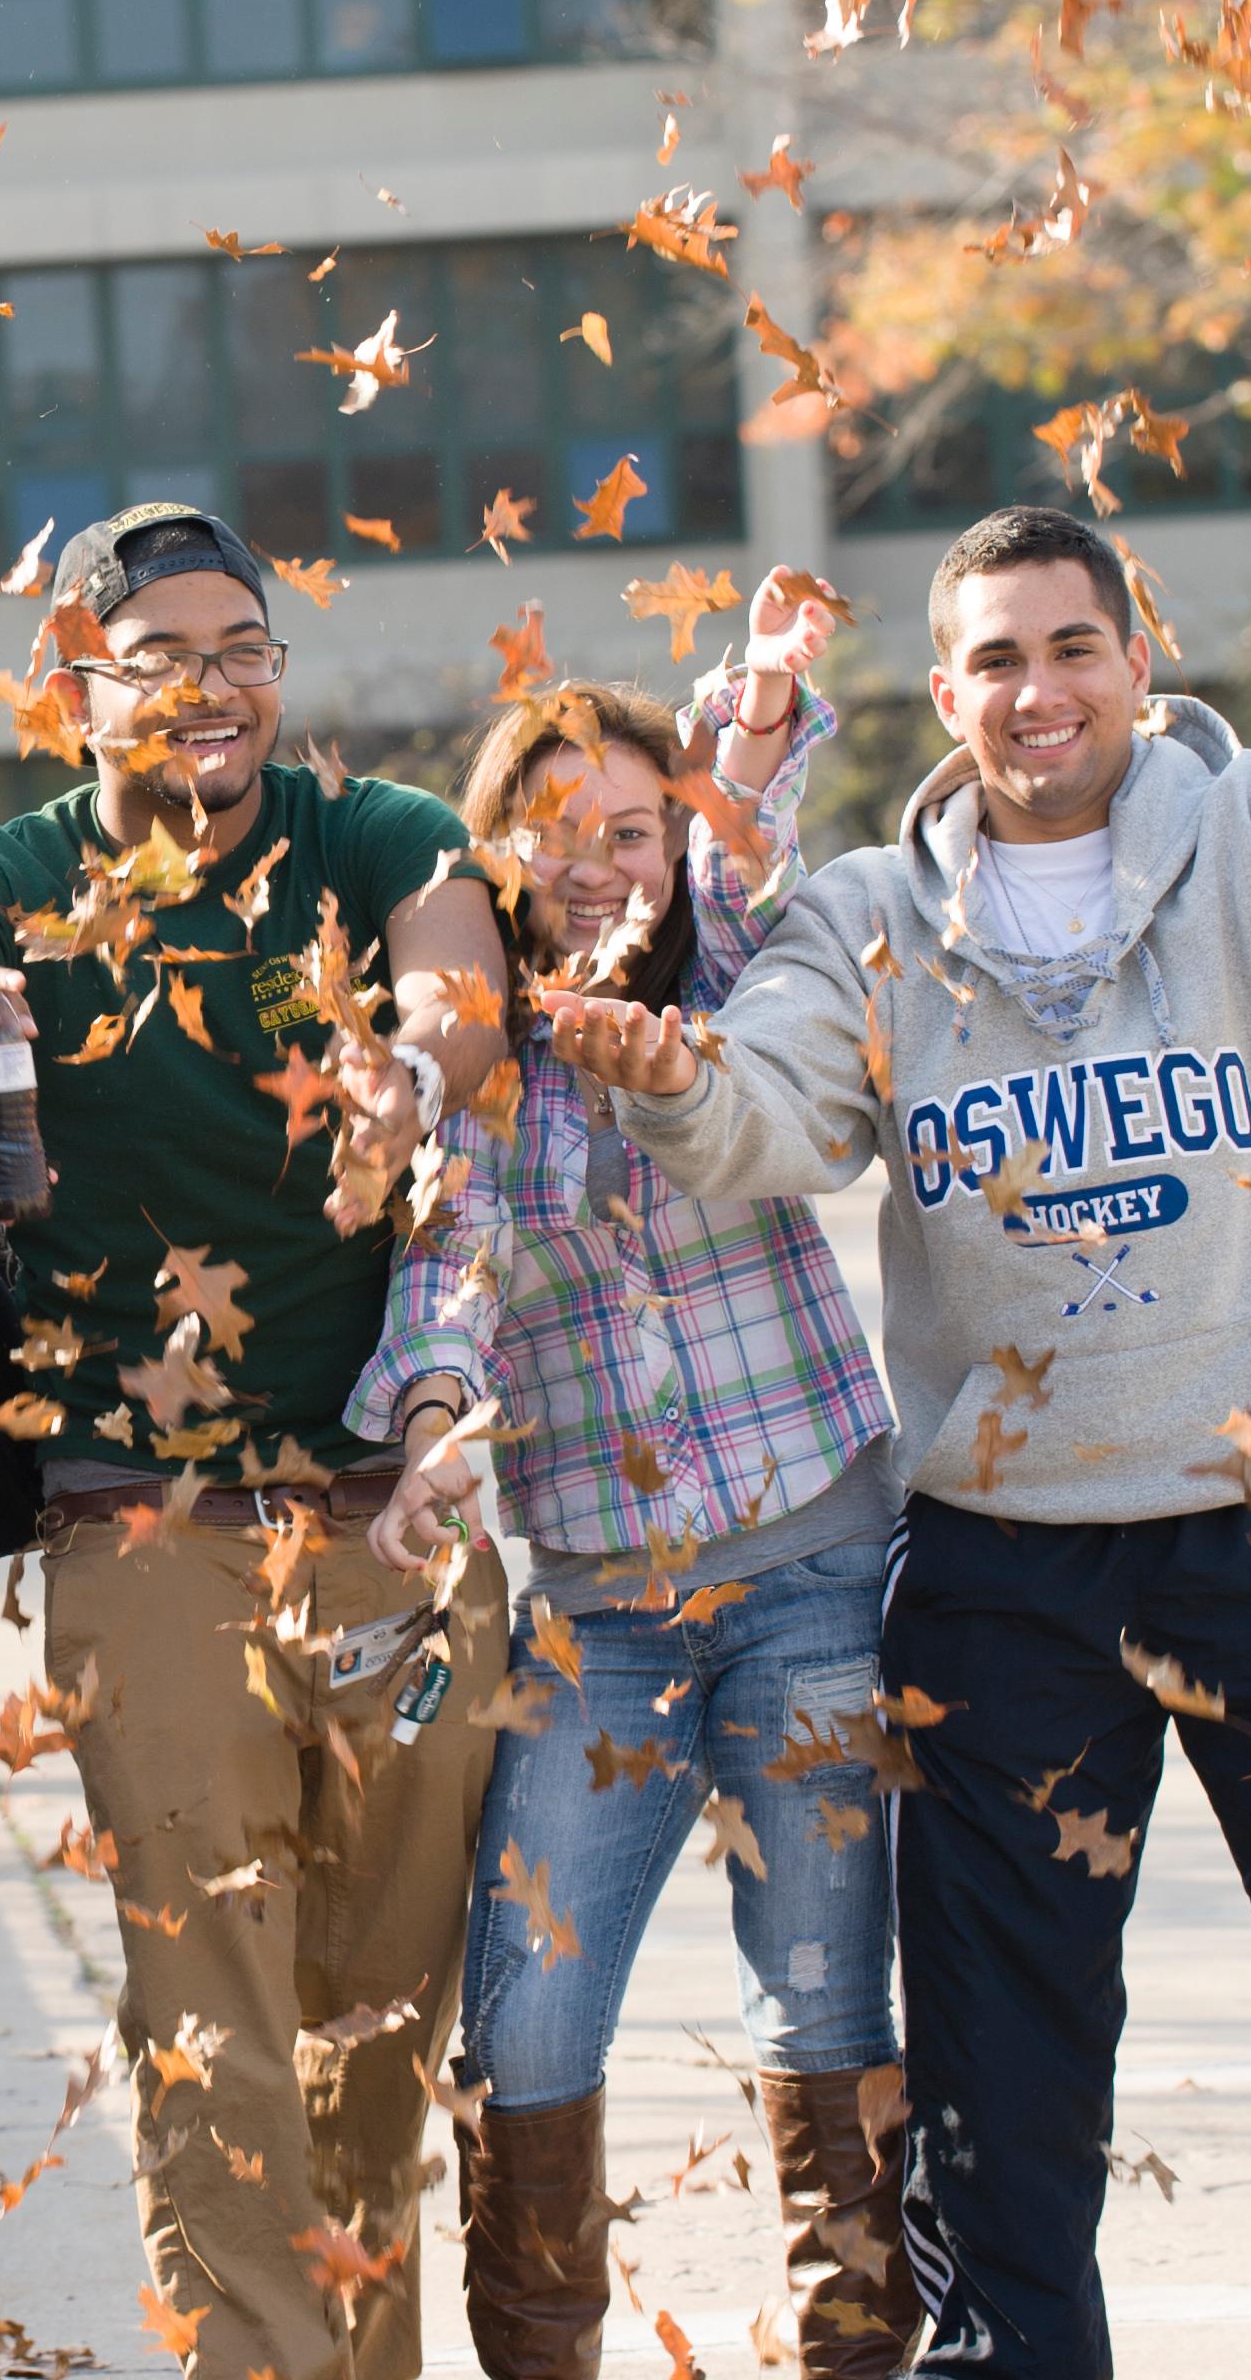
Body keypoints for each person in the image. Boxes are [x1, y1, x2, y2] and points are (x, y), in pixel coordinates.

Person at [558, 506, 1251, 2379]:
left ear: (1134, 660)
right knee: (1002, 2075)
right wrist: (682, 1082)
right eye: (998, 660)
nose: (1039, 692)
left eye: (1072, 648)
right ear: (948, 694)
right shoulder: (868, 915)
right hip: (1008, 1573)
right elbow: (767, 1109)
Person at [0, 501, 515, 2380]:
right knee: (212, 2002)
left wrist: (415, 1060)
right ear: (78, 688)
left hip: (391, 1512)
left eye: (244, 653)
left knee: (380, 2015)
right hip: (140, 1525)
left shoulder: (367, 833)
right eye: (164, 658)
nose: (212, 689)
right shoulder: (0, 878)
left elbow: (459, 968)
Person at [353, 570, 917, 2379]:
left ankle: (856, 2353)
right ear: (497, 871)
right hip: (601, 1620)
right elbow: (446, 1274)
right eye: (553, 838)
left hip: (819, 1574)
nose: (601, 864)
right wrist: (437, 1426)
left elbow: (756, 813)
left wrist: (753, 702)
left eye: (630, 826)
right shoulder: (479, 1072)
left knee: (827, 2001)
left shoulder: (744, 971)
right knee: (525, 2029)